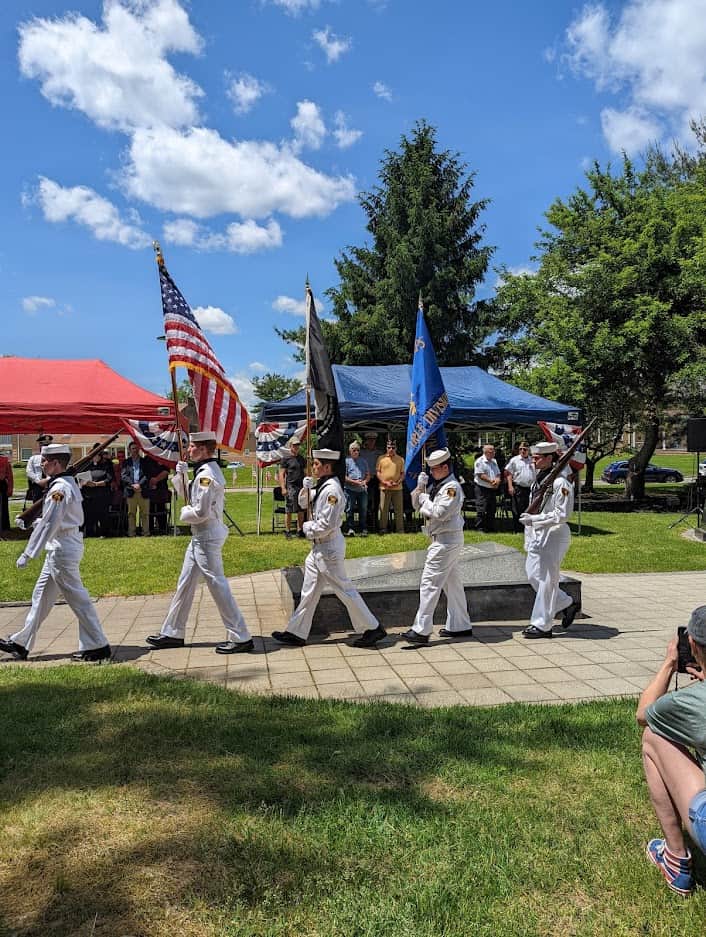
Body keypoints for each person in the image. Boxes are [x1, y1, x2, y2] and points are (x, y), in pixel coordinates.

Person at [0, 444, 111, 662]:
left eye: (44, 461)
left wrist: (29, 553)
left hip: (62, 548)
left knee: (78, 599)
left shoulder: (60, 488)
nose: (41, 464)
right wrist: (33, 521)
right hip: (60, 545)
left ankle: (98, 645)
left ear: (56, 463)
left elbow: (50, 524)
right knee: (40, 597)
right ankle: (21, 642)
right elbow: (56, 518)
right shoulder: (65, 483)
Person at [146, 431, 253, 655]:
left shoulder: (207, 474)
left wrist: (184, 513)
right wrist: (182, 477)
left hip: (206, 535)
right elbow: (191, 496)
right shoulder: (203, 471)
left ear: (204, 449)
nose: (188, 450)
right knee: (185, 583)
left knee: (217, 585)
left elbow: (201, 511)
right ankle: (173, 631)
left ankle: (240, 635)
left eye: (192, 446)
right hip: (200, 536)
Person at [272, 449, 386, 648]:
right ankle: (296, 632)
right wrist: (305, 490)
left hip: (328, 548)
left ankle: (372, 627)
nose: (313, 467)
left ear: (327, 467)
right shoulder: (323, 486)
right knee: (309, 591)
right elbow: (304, 503)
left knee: (345, 590)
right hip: (319, 549)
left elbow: (326, 525)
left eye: (316, 464)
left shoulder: (332, 490)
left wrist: (306, 528)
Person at [637, 605, 706, 897]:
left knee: (653, 736)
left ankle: (676, 860)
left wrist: (668, 663)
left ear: (691, 644)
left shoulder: (694, 701)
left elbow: (643, 714)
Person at [402, 448, 473, 646]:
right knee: (452, 584)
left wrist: (426, 500)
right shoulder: (438, 485)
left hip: (446, 540)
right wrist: (419, 487)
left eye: (434, 469)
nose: (431, 472)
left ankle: (421, 629)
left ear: (445, 467)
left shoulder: (452, 487)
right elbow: (416, 505)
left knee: (429, 583)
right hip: (442, 539)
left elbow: (440, 512)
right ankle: (460, 624)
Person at [519, 441, 579, 639]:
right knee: (533, 575)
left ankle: (542, 625)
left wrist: (535, 519)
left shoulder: (560, 483)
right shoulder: (540, 479)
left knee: (547, 579)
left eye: (537, 457)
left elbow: (563, 514)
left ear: (549, 458)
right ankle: (565, 603)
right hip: (538, 535)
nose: (533, 460)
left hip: (554, 534)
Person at [79, 446, 114, 537]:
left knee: (102, 515)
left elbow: (109, 479)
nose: (95, 457)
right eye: (93, 455)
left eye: (97, 455)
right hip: (88, 495)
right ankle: (90, 533)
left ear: (100, 456)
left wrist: (96, 484)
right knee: (89, 514)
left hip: (102, 494)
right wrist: (84, 482)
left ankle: (104, 533)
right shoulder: (86, 466)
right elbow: (79, 478)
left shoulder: (107, 465)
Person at [278, 437, 306, 539]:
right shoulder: (285, 459)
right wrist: (283, 488)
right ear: (290, 446)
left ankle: (300, 530)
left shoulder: (302, 459)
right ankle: (288, 531)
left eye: (298, 445)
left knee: (301, 510)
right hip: (290, 487)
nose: (296, 447)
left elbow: (306, 472)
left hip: (301, 487)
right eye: (294, 445)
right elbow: (281, 474)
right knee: (289, 510)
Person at [504, 440, 535, 533]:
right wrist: (510, 486)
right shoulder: (514, 460)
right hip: (518, 487)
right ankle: (517, 529)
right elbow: (508, 473)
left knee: (529, 508)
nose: (522, 451)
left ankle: (528, 528)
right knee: (517, 509)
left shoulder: (532, 460)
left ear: (528, 450)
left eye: (524, 449)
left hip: (530, 489)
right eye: (520, 449)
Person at [121, 441, 151, 537]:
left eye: (137, 448)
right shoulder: (126, 462)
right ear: (129, 450)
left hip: (143, 490)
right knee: (131, 514)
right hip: (131, 491)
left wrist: (139, 485)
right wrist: (133, 484)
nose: (135, 450)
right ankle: (132, 533)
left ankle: (145, 533)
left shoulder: (145, 461)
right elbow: (124, 476)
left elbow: (147, 475)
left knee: (145, 514)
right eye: (133, 448)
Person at [377, 439, 405, 534]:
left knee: (399, 509)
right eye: (389, 447)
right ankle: (383, 529)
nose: (391, 449)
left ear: (396, 448)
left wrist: (398, 482)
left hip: (397, 488)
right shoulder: (381, 458)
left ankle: (400, 529)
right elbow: (378, 472)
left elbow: (402, 473)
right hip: (384, 488)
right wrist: (384, 482)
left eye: (393, 447)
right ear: (386, 448)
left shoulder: (400, 459)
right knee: (383, 509)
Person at [473, 443, 501, 532]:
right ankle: (480, 528)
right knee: (481, 509)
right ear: (485, 452)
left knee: (492, 509)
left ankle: (490, 527)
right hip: (482, 488)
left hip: (492, 488)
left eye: (493, 450)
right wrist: (491, 481)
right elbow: (480, 475)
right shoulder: (479, 461)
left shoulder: (494, 461)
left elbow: (498, 473)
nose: (493, 452)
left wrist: (497, 480)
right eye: (491, 450)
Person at [344, 440, 369, 536]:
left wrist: (364, 482)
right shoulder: (346, 461)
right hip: (350, 489)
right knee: (349, 509)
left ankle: (363, 528)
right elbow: (344, 477)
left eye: (358, 450)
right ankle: (350, 528)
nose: (356, 452)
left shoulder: (363, 461)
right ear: (350, 451)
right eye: (354, 450)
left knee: (363, 509)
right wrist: (354, 482)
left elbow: (368, 475)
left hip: (362, 490)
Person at [359, 431, 382, 532]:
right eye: (370, 440)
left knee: (377, 501)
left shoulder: (379, 453)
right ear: (366, 441)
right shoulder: (362, 453)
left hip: (376, 479)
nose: (371, 442)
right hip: (366, 479)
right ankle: (367, 521)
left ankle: (375, 521)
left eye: (373, 440)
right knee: (366, 502)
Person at [145, 456, 170, 535]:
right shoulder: (146, 459)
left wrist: (156, 479)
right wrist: (150, 482)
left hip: (161, 489)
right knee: (149, 509)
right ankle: (150, 529)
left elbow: (166, 472)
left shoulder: (162, 456)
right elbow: (143, 472)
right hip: (149, 488)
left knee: (161, 509)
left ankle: (163, 529)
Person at [26, 433, 53, 503]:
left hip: (51, 484)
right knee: (36, 507)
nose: (46, 447)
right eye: (44, 445)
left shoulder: (55, 459)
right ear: (40, 445)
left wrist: (48, 480)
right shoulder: (33, 458)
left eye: (48, 445)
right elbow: (29, 472)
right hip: (37, 486)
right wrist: (39, 481)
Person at [0, 447, 13, 531]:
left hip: (1, 485)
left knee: (3, 507)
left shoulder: (5, 461)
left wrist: (10, 489)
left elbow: (10, 477)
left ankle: (4, 526)